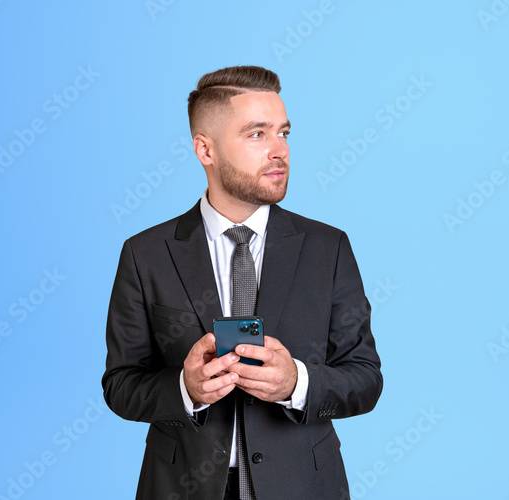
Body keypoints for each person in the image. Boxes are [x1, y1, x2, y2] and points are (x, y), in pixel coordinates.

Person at [102, 65, 382, 500]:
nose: (280, 151)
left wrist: (297, 384)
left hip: (303, 486)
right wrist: (184, 388)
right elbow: (121, 385)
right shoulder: (146, 254)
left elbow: (365, 379)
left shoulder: (329, 248)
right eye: (257, 134)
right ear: (205, 150)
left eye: (284, 133)